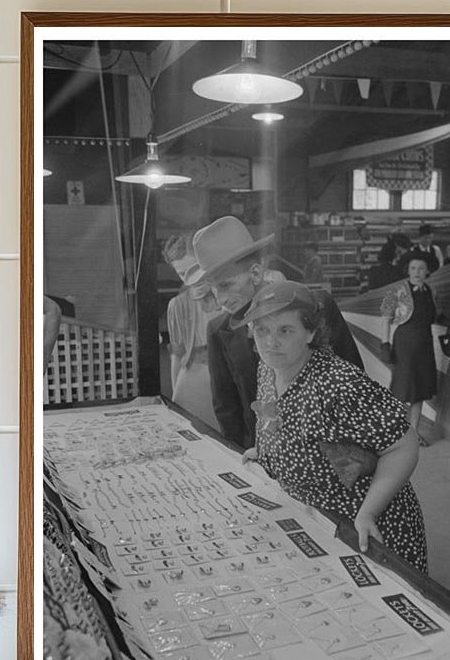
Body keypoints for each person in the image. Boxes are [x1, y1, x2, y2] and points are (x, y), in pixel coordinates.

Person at [240, 280, 427, 574]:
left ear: (310, 332)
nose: (270, 342)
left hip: (366, 527)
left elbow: (403, 446)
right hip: (315, 519)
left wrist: (368, 513)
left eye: (285, 330)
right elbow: (286, 422)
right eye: (262, 330)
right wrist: (267, 452)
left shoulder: (339, 384)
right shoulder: (268, 367)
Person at [187, 216, 362, 450]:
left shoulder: (317, 307)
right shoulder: (219, 331)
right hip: (262, 454)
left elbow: (355, 379)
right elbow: (227, 410)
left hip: (332, 450)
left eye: (226, 285)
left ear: (256, 273)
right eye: (213, 289)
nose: (220, 300)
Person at [161, 233, 220, 431]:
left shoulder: (230, 295)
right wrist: (174, 401)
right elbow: (177, 355)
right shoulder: (178, 305)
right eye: (181, 274)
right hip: (195, 381)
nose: (190, 279)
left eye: (195, 268)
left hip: (230, 380)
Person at [380, 251, 439, 445]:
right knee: (402, 388)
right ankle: (392, 432)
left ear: (427, 271)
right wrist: (385, 344)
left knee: (420, 389)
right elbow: (386, 318)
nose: (417, 272)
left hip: (425, 344)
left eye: (421, 268)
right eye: (413, 268)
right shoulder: (397, 291)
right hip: (405, 345)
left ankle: (413, 433)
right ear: (408, 270)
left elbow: (431, 317)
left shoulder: (430, 291)